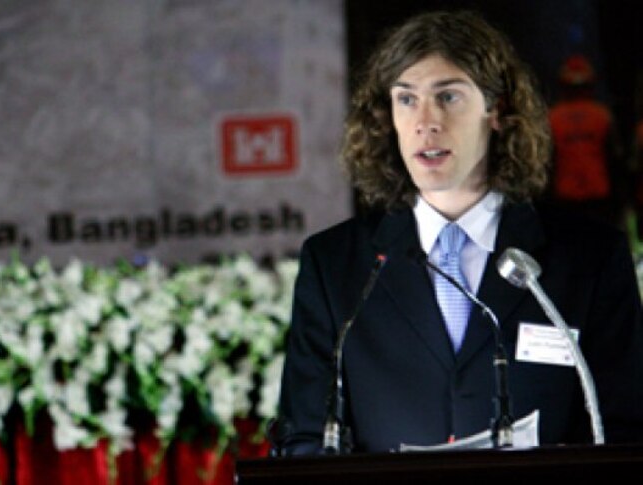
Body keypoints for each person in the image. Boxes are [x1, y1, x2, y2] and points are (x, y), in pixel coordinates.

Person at [274, 10, 643, 455]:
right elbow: (304, 439)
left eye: (448, 97)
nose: (425, 121)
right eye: (406, 99)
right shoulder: (334, 266)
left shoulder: (590, 258)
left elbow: (626, 432)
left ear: (497, 111)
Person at [548, 54, 627, 227]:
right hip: (599, 197)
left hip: (565, 198)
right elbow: (615, 159)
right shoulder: (602, 116)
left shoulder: (552, 118)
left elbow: (548, 162)